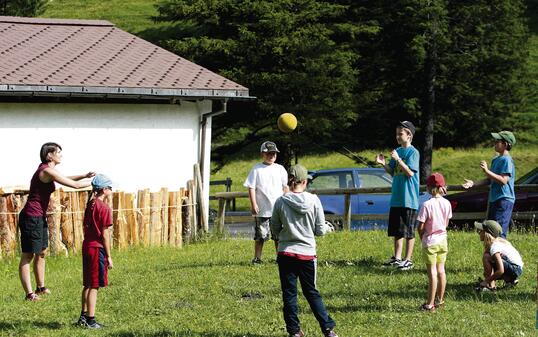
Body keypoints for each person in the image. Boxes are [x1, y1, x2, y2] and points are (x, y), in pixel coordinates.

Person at [19, 142, 95, 301]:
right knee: (28, 255)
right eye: (58, 152)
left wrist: (84, 175)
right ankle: (29, 294)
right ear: (49, 155)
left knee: (41, 252)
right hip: (31, 217)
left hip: (39, 216)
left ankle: (40, 287)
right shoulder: (45, 171)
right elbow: (73, 185)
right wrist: (97, 182)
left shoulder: (50, 171)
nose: (61, 155)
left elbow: (65, 178)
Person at [271, 164, 338, 337]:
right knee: (311, 292)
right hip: (307, 254)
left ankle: (294, 331)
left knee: (289, 294)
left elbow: (275, 229)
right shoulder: (314, 200)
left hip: (285, 252)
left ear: (290, 181)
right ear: (304, 181)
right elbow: (320, 230)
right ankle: (328, 329)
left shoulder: (280, 201)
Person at [376, 121, 420, 270]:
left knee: (408, 231)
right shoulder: (397, 151)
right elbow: (392, 171)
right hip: (397, 197)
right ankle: (397, 258)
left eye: (400, 133)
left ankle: (408, 260)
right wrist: (383, 164)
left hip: (409, 198)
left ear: (409, 135)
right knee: (397, 230)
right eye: (396, 134)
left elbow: (409, 173)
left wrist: (398, 159)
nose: (397, 136)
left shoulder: (413, 152)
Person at [462, 131, 516, 238]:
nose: (494, 143)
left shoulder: (507, 160)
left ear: (505, 144)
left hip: (504, 200)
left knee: (499, 234)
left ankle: (501, 254)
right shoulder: (496, 159)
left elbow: (504, 180)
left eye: (497, 141)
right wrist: (473, 183)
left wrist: (487, 171)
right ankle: (492, 254)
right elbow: (489, 179)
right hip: (494, 200)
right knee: (490, 232)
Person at [77, 174, 114, 329]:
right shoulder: (104, 208)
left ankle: (83, 317)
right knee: (94, 286)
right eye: (110, 188)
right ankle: (91, 321)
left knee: (87, 284)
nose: (112, 190)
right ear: (104, 190)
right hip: (96, 249)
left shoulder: (90, 204)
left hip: (87, 246)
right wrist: (109, 256)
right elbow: (105, 235)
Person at [244, 141, 288, 264]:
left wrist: (286, 201)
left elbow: (285, 187)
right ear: (262, 154)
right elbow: (251, 187)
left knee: (278, 236)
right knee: (260, 236)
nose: (271, 156)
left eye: (274, 153)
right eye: (269, 153)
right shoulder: (257, 169)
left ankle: (280, 257)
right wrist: (254, 204)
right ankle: (257, 258)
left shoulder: (280, 169)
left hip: (278, 209)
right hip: (262, 209)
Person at [416, 173, 452, 312]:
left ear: (429, 187)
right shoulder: (447, 203)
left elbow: (420, 226)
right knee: (441, 271)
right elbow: (446, 222)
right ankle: (440, 300)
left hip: (430, 241)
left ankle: (429, 304)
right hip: (443, 240)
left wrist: (422, 236)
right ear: (442, 187)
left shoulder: (426, 205)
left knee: (432, 273)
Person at [474, 220, 523, 291]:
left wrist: (486, 281)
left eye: (480, 231)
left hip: (515, 269)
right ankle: (509, 280)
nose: (478, 233)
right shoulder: (498, 241)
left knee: (486, 257)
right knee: (488, 258)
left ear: (487, 234)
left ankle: (491, 287)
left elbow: (501, 270)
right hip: (517, 268)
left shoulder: (494, 247)